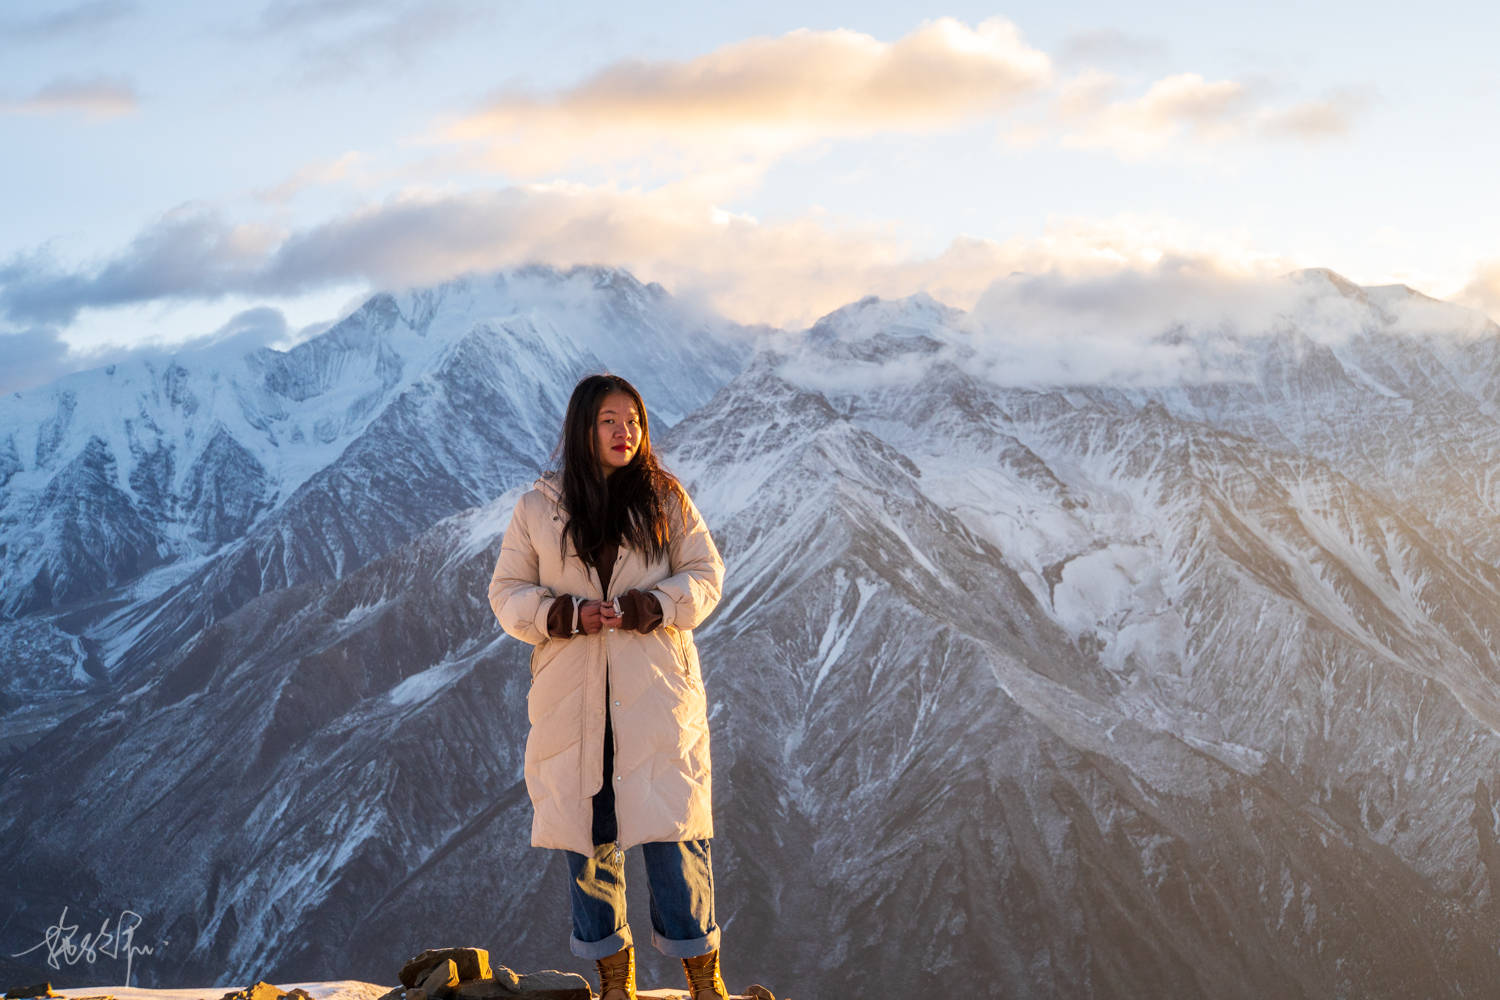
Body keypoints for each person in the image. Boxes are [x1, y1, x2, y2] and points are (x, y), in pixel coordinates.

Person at [488, 373, 729, 1000]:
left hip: (655, 695)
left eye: (634, 421)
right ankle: (613, 985)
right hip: (576, 702)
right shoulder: (539, 507)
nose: (625, 432)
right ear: (582, 427)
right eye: (609, 421)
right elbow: (506, 592)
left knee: (676, 841)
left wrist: (656, 604)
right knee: (589, 846)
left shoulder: (665, 498)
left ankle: (705, 984)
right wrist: (561, 616)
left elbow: (706, 574)